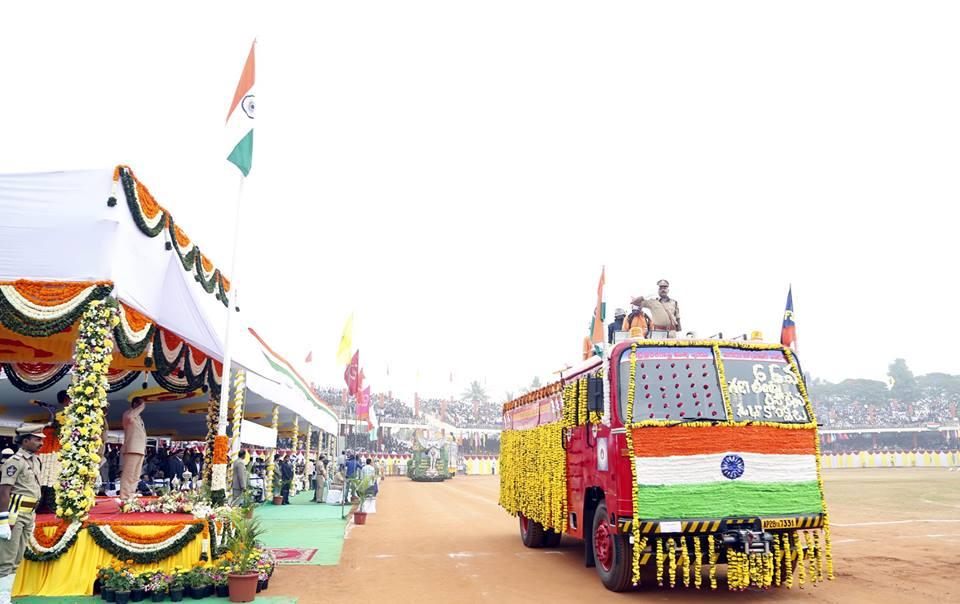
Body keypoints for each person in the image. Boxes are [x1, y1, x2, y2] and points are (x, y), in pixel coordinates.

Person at [0, 423, 45, 603]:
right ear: (25, 441)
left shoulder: (36, 460)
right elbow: (4, 491)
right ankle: (2, 598)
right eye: (37, 439)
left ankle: (5, 595)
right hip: (14, 513)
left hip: (29, 513)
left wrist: (32, 516)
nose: (41, 443)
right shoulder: (13, 462)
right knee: (7, 558)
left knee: (17, 556)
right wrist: (2, 521)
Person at [119, 399, 147, 499]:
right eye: (139, 404)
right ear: (135, 404)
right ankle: (124, 496)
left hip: (140, 449)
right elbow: (130, 417)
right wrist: (140, 407)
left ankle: (130, 494)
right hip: (131, 448)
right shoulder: (128, 414)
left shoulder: (138, 417)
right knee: (128, 474)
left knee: (136, 475)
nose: (142, 406)